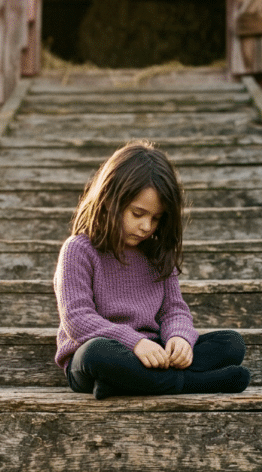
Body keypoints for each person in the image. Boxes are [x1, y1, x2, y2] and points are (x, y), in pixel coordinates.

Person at [53, 140, 251, 400]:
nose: (147, 226)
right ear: (111, 200)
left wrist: (179, 338)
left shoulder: (156, 253)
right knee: (97, 354)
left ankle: (127, 384)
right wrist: (134, 342)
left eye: (156, 218)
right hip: (97, 354)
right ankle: (194, 383)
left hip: (153, 355)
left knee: (231, 343)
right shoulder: (79, 250)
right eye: (138, 213)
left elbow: (174, 309)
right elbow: (77, 319)